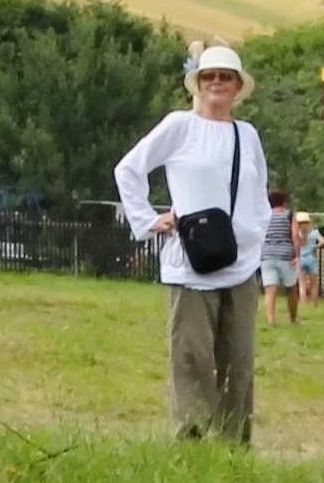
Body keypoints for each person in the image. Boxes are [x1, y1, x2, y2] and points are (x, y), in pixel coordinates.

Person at [117, 43, 273, 440]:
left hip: (241, 262)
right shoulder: (179, 126)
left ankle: (235, 443)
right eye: (210, 76)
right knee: (192, 357)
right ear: (198, 84)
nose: (217, 83)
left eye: (226, 77)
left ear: (239, 87)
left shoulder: (247, 134)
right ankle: (192, 439)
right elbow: (129, 170)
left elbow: (260, 194)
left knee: (238, 360)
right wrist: (149, 220)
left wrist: (255, 233)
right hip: (191, 263)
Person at [259, 185, 306, 325]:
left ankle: (271, 319)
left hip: (267, 254)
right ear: (284, 201)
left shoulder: (264, 216)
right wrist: (297, 255)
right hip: (285, 255)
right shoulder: (289, 215)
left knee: (270, 289)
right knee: (291, 288)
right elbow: (295, 236)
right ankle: (293, 318)